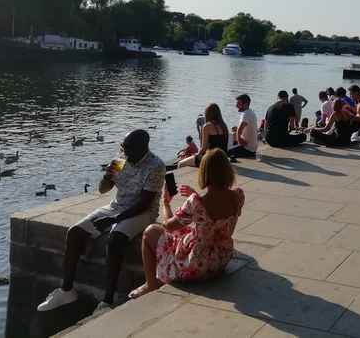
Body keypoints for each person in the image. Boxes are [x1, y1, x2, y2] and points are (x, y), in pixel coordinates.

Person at [37, 130, 164, 313]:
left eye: (128, 149)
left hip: (143, 213)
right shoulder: (120, 160)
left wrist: (113, 220)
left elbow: (144, 204)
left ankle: (107, 301)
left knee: (115, 240)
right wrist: (107, 177)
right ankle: (66, 290)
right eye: (123, 147)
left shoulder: (155, 166)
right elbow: (103, 190)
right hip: (117, 206)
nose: (124, 152)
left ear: (143, 148)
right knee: (75, 232)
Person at [129, 149, 245, 299]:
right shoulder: (238, 195)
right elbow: (212, 216)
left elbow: (168, 226)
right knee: (186, 231)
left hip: (198, 266)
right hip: (221, 259)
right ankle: (154, 281)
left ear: (205, 173)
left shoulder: (196, 203)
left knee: (150, 232)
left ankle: (150, 284)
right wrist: (195, 197)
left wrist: (166, 204)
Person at [180, 104, 228, 168]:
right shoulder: (224, 125)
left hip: (211, 158)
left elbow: (204, 148)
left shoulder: (207, 126)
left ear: (208, 114)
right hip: (223, 159)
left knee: (181, 164)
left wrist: (197, 154)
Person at [229, 94, 258, 159]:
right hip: (251, 147)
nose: (236, 105)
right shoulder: (249, 112)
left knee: (224, 152)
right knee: (230, 135)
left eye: (239, 103)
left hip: (247, 150)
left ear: (245, 104)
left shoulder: (246, 114)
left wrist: (240, 141)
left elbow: (239, 131)